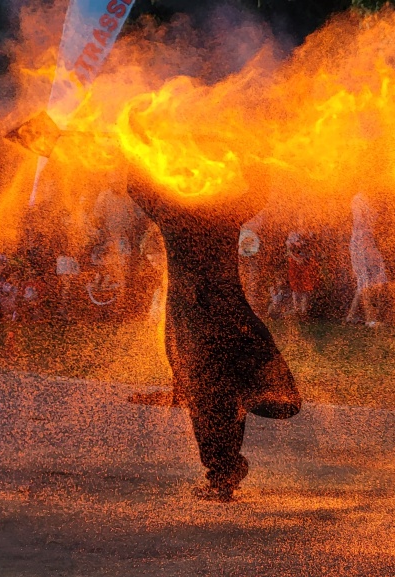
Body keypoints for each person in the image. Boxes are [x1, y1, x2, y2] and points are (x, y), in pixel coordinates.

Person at [126, 176, 302, 502]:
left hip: (194, 316)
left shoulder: (172, 210)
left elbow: (136, 187)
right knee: (222, 393)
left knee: (208, 399)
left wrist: (132, 149)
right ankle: (224, 469)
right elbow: (260, 190)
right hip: (225, 312)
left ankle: (223, 470)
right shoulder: (223, 210)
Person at [346, 193, 388, 327]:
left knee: (369, 280)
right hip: (361, 244)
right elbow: (360, 224)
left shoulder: (369, 200)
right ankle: (370, 319)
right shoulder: (359, 199)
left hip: (367, 242)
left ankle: (351, 316)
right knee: (365, 282)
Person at [286, 233, 320, 319]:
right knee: (295, 287)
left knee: (306, 287)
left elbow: (313, 249)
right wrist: (296, 259)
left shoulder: (310, 232)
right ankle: (296, 310)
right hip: (295, 264)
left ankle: (304, 311)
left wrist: (307, 257)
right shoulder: (293, 233)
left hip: (306, 263)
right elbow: (289, 251)